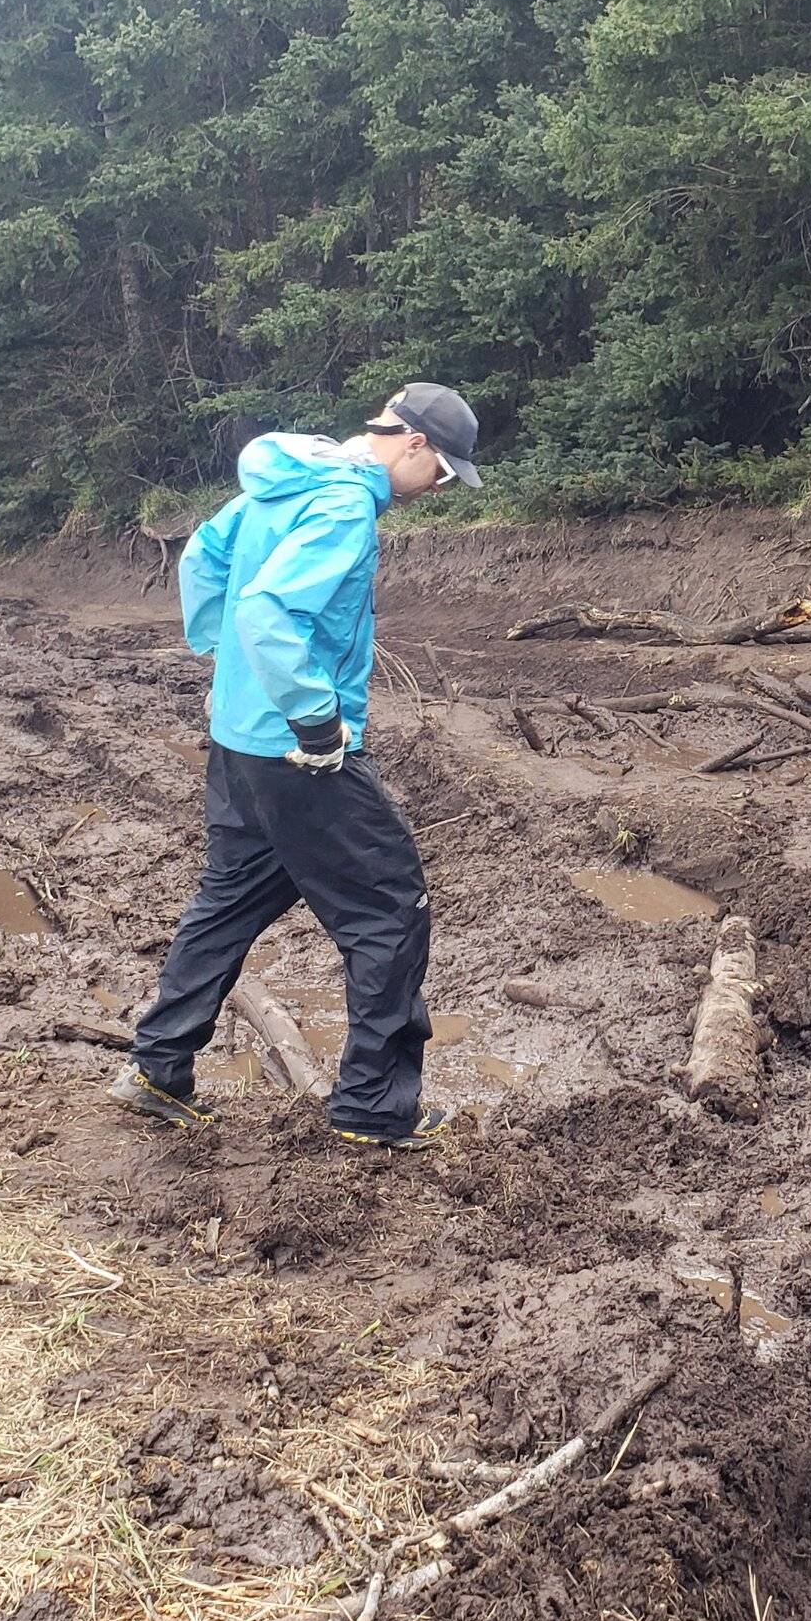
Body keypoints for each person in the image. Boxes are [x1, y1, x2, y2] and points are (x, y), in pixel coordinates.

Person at [110, 382, 481, 1147]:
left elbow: (205, 562)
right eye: (442, 472)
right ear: (414, 443)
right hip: (297, 750)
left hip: (240, 738)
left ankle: (157, 1069)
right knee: (389, 911)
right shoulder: (346, 504)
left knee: (233, 898)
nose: (438, 489)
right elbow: (270, 610)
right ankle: (374, 1111)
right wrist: (312, 716)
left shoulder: (282, 485)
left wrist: (234, 672)